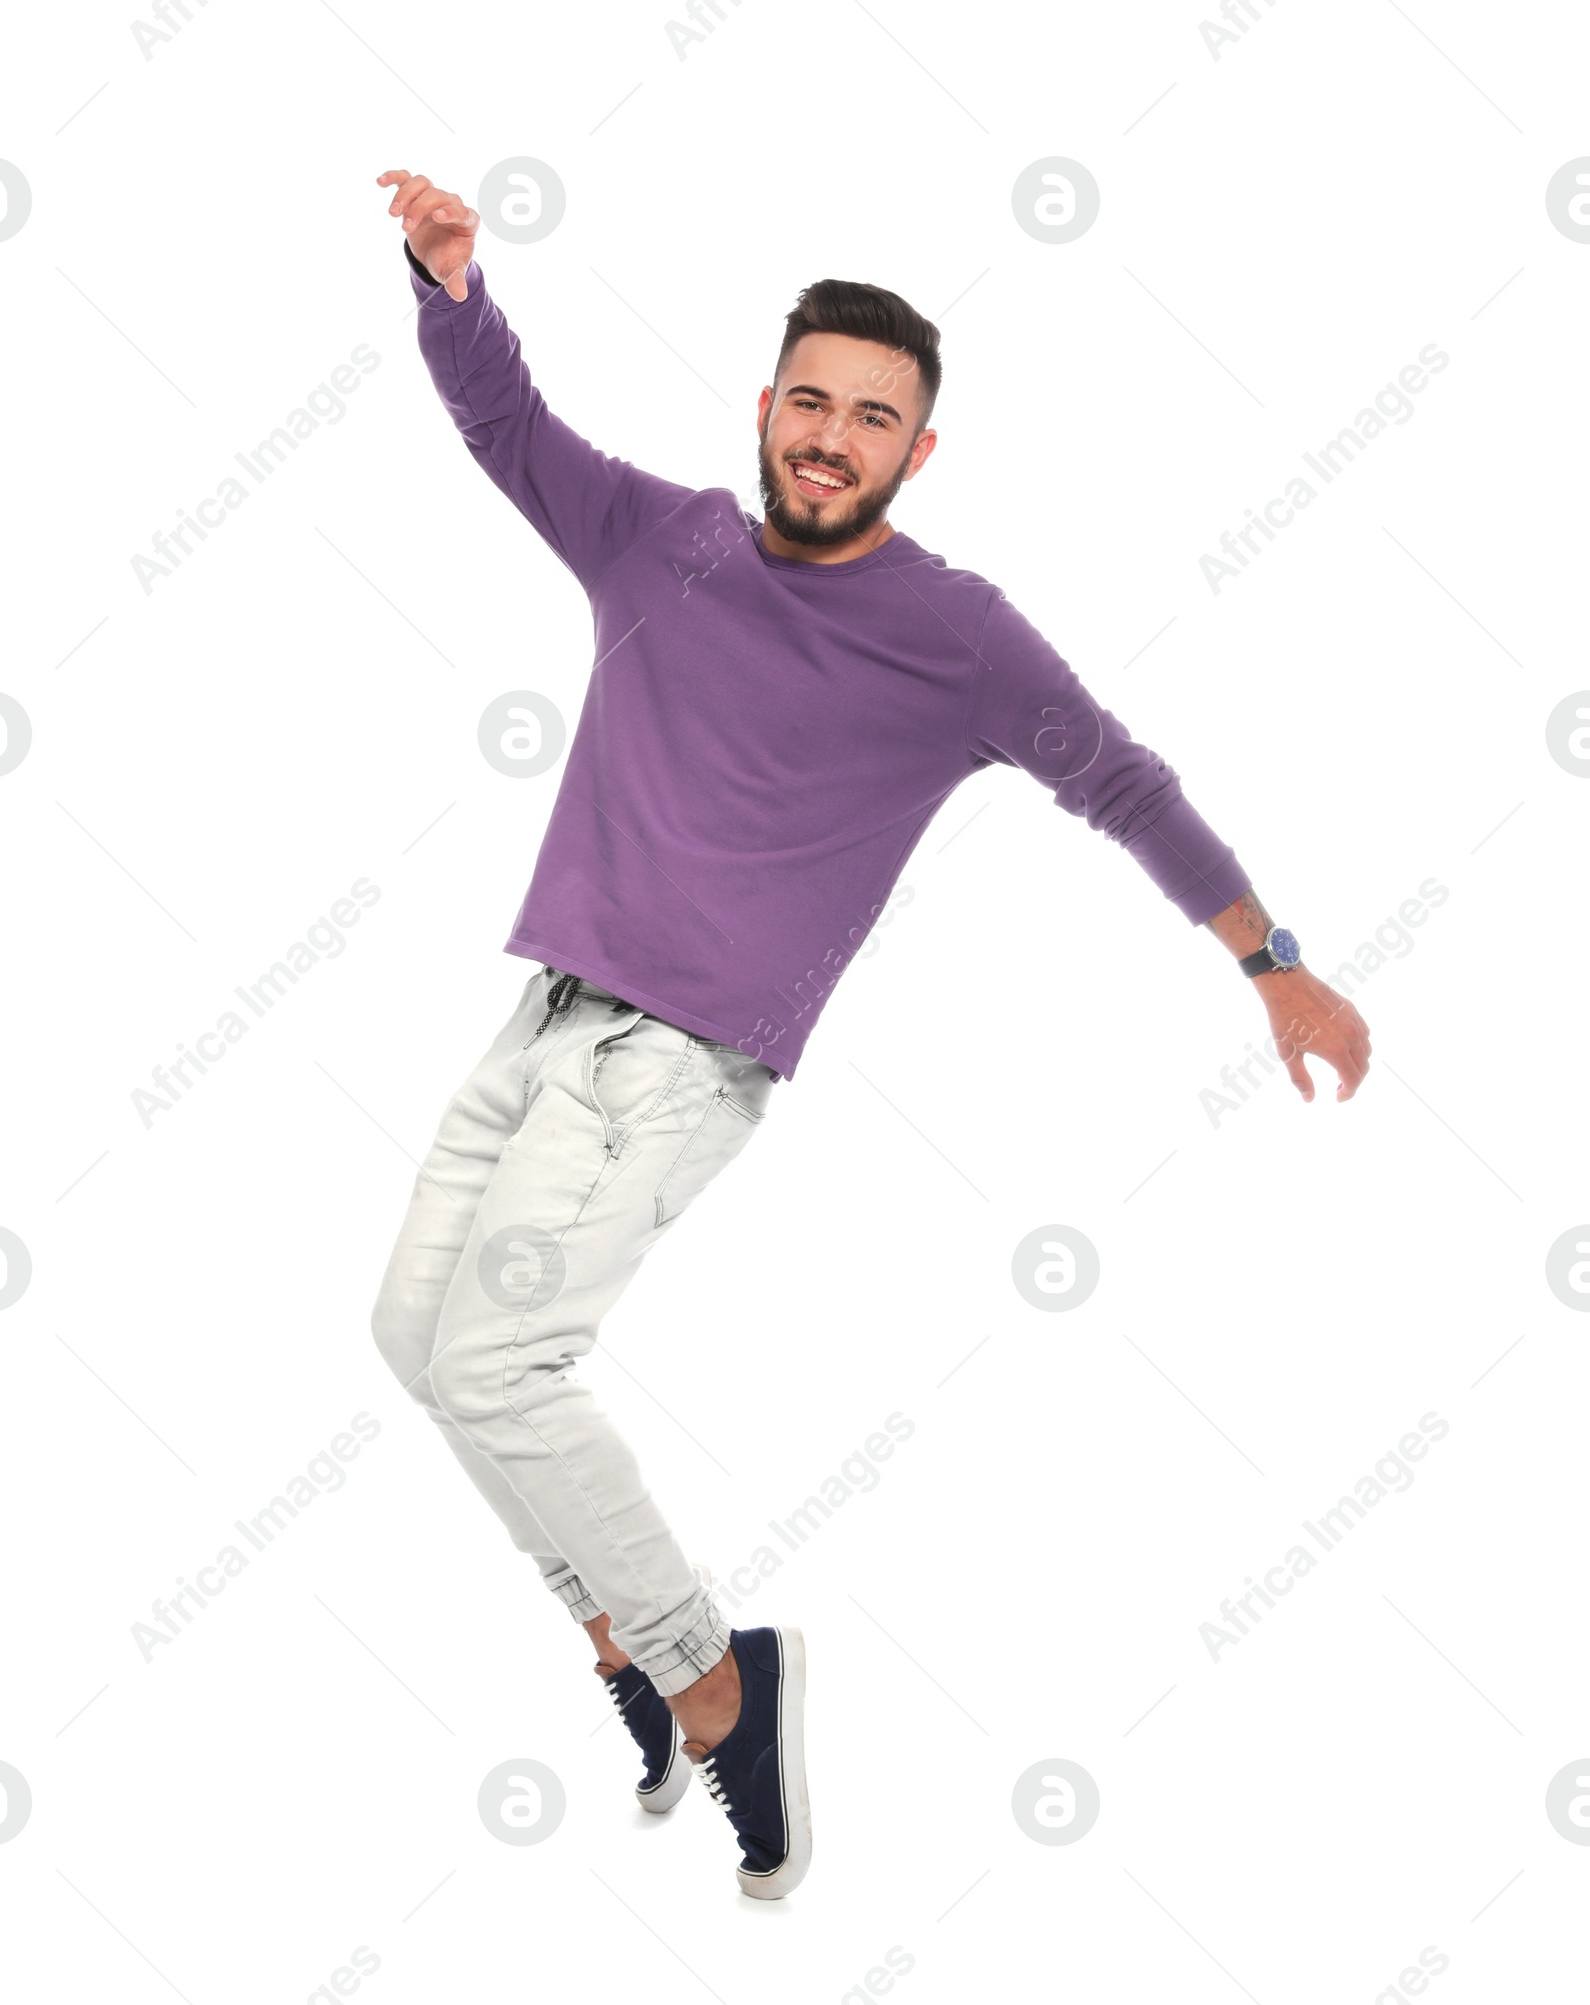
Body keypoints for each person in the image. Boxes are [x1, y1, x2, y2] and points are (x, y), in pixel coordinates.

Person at [367, 165, 1372, 1902]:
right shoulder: (661, 539)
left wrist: (1271, 957)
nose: (833, 438)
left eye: (875, 419)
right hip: (542, 1014)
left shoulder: (958, 638)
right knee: (408, 1334)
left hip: (673, 1064)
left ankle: (718, 1683)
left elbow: (1123, 784)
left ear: (922, 452)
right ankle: (624, 1648)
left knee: (495, 1366)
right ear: (766, 410)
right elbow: (508, 426)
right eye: (812, 403)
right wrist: (452, 285)